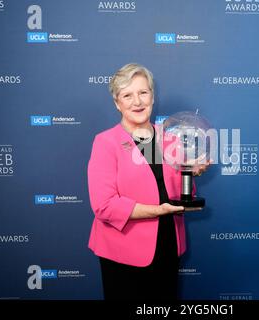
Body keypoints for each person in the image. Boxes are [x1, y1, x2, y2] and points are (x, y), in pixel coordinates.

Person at [87, 63, 209, 301]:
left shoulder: (169, 139)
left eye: (143, 92)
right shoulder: (106, 142)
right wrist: (157, 211)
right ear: (117, 103)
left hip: (167, 245)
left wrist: (191, 174)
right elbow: (104, 205)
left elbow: (184, 195)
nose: (137, 101)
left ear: (153, 97)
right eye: (127, 95)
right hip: (123, 251)